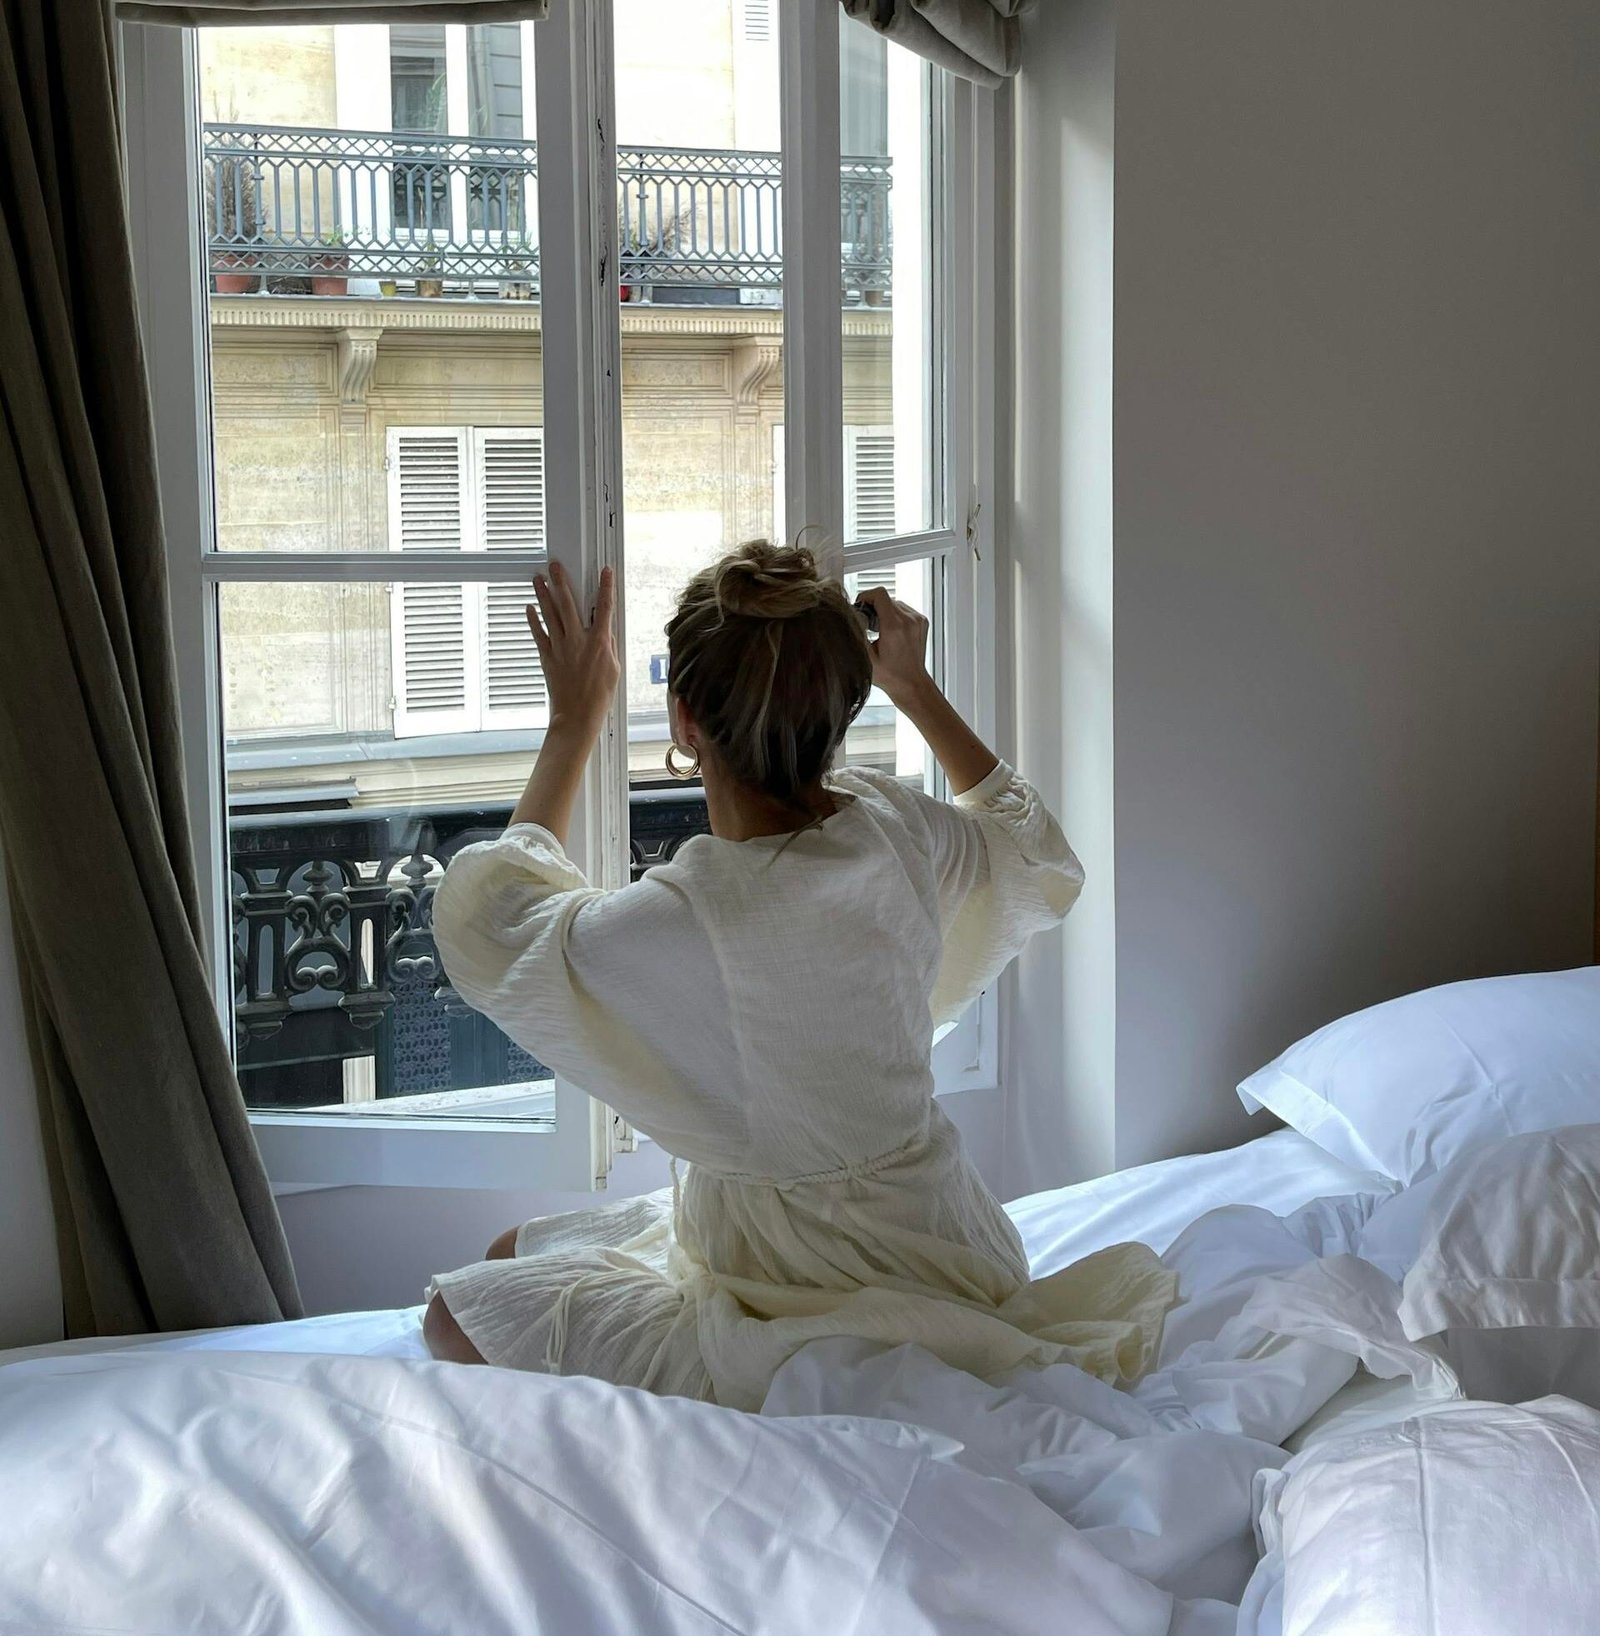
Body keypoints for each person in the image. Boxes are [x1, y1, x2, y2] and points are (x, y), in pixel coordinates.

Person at [423, 541, 1175, 1410]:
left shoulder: (688, 915)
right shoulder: (897, 824)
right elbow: (1031, 848)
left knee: (457, 1309)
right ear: (841, 709)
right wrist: (916, 687)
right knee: (514, 1254)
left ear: (684, 722)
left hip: (796, 1280)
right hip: (950, 1242)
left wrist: (575, 720)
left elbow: (496, 922)